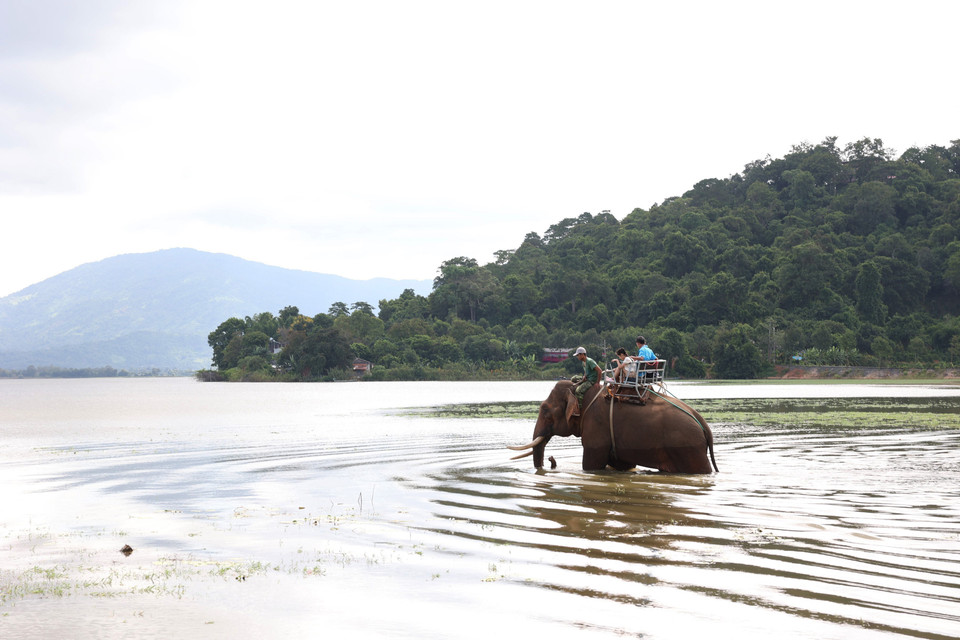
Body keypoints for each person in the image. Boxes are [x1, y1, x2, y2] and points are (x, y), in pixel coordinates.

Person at [571, 346, 602, 411]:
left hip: (591, 380)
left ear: (582, 354)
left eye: (578, 355)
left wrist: (597, 382)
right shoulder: (583, 362)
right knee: (573, 378)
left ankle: (579, 408)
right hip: (587, 378)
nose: (577, 357)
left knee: (578, 391)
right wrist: (584, 376)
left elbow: (599, 371)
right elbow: (586, 371)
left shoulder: (590, 361)